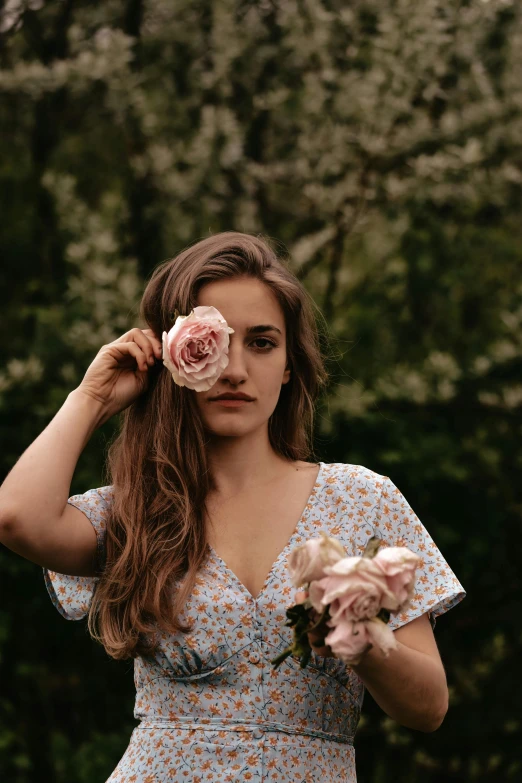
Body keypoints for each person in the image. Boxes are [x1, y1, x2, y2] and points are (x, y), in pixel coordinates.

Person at [0, 232, 465, 782]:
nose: (235, 369)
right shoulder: (139, 507)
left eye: (263, 342)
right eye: (214, 343)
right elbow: (16, 518)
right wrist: (93, 397)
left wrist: (358, 639)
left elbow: (429, 707)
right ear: (175, 358)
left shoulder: (361, 499)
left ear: (291, 364)